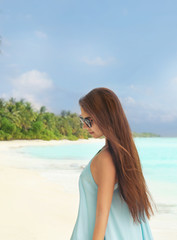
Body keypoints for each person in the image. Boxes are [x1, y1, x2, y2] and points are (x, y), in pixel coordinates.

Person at [71, 87, 155, 240]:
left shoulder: (106, 159)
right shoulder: (121, 155)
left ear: (104, 116)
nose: (84, 126)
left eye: (88, 120)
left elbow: (102, 212)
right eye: (82, 120)